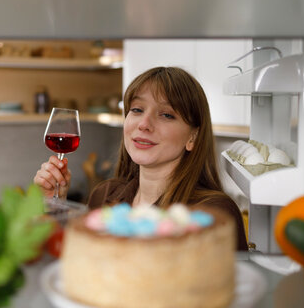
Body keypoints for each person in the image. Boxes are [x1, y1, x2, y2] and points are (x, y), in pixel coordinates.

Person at [34, 67, 248, 251]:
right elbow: (80, 264)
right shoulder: (105, 194)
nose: (144, 124)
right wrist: (53, 203)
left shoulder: (215, 212)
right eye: (137, 109)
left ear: (192, 137)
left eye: (166, 114)